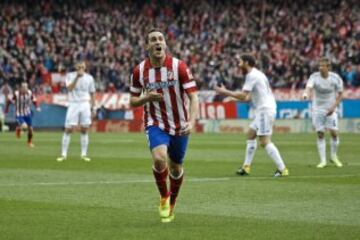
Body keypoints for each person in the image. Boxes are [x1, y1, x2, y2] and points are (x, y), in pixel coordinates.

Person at [129, 28, 199, 223]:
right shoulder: (139, 71)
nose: (157, 42)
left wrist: (191, 122)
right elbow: (133, 101)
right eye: (153, 39)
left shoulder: (179, 67)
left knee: (176, 168)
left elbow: (194, 97)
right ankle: (163, 197)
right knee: (160, 160)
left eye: (160, 39)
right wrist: (146, 97)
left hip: (179, 125)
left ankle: (173, 202)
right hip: (155, 123)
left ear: (165, 44)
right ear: (147, 46)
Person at [215, 54, 289, 177]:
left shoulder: (252, 76)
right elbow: (248, 97)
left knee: (265, 141)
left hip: (265, 109)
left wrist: (224, 91)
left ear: (247, 63)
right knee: (251, 134)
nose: (238, 65)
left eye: (240, 62)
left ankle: (282, 169)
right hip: (264, 109)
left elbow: (244, 96)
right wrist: (233, 99)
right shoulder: (257, 74)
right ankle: (246, 167)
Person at [302, 57, 343, 168]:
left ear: (328, 67)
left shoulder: (335, 78)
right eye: (319, 66)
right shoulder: (314, 77)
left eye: (322, 66)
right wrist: (306, 94)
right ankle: (323, 161)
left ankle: (333, 156)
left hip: (331, 108)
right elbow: (308, 87)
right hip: (317, 109)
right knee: (320, 134)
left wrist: (334, 107)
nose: (320, 68)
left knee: (334, 132)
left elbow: (340, 94)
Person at [56, 61, 96, 162]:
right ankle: (64, 155)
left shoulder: (89, 78)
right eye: (79, 66)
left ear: (85, 67)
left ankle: (83, 154)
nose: (81, 68)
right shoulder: (70, 76)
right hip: (73, 104)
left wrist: (94, 107)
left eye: (82, 66)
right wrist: (77, 77)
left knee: (84, 129)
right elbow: (69, 88)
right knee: (68, 129)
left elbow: (92, 93)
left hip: (85, 104)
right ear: (75, 67)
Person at [5, 82, 40, 147]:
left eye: (26, 87)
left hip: (27, 113)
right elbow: (9, 100)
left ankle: (29, 142)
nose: (25, 89)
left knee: (31, 130)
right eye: (23, 87)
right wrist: (6, 109)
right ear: (20, 88)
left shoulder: (29, 93)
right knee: (24, 126)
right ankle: (19, 129)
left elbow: (34, 100)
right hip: (19, 113)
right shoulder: (16, 94)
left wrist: (37, 107)